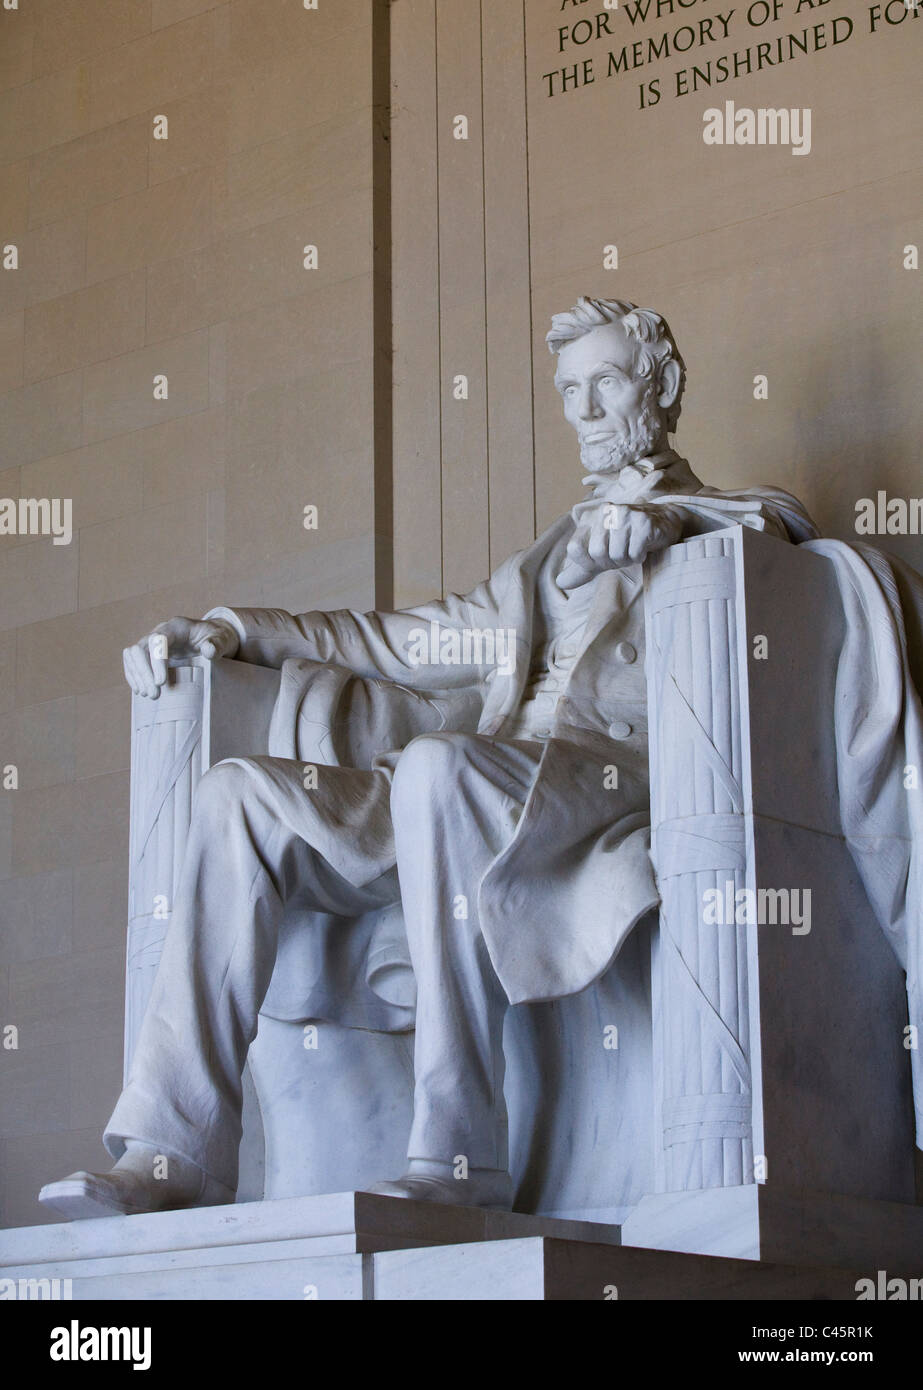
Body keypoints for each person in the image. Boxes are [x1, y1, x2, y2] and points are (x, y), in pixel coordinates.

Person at [39, 297, 816, 1219]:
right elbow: (397, 640)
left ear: (663, 387)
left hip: (610, 786)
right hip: (467, 785)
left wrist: (671, 532)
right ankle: (175, 1152)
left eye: (605, 382)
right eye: (569, 391)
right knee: (237, 795)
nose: (585, 411)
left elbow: (784, 552)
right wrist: (230, 628)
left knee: (441, 769)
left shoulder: (734, 517)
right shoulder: (540, 567)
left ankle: (457, 1156)